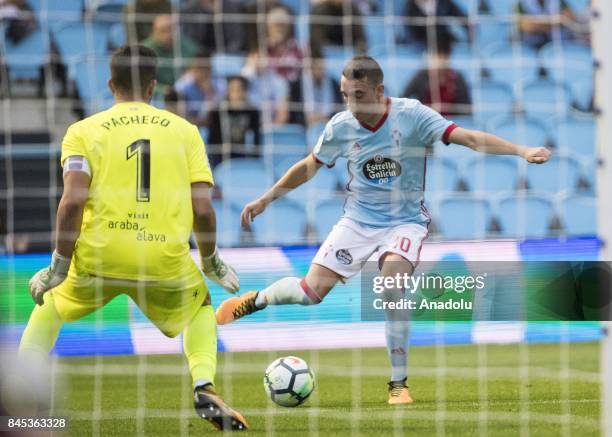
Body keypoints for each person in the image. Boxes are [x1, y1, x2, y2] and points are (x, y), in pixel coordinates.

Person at [215, 55, 551, 405]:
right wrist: (266, 198)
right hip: (358, 222)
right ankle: (256, 300)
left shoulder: (413, 115)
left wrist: (521, 150)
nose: (350, 103)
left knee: (392, 280)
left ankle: (398, 384)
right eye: (345, 94)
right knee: (307, 293)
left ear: (379, 90)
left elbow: (468, 138)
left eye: (358, 94)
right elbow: (309, 167)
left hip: (404, 222)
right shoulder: (341, 126)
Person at [19, 45, 248, 431]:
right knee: (200, 307)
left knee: (51, 303)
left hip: (99, 256)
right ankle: (204, 386)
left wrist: (58, 265)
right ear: (153, 86)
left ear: (110, 85)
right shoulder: (185, 131)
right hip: (163, 258)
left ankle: (19, 396)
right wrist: (210, 261)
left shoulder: (82, 131)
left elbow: (72, 199)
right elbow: (204, 208)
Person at [402, 30, 471, 116]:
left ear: (448, 57)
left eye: (443, 57)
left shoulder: (458, 78)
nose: (439, 62)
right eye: (436, 57)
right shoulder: (420, 76)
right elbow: (402, 101)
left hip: (452, 126)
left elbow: (467, 111)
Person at [207, 75, 261, 168]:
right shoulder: (217, 111)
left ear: (245, 92)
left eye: (239, 89)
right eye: (233, 89)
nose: (236, 93)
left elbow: (256, 140)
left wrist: (253, 160)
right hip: (220, 155)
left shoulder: (252, 111)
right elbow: (212, 142)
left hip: (242, 155)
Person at [143, 14, 199, 89]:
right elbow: (143, 82)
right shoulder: (144, 50)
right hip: (155, 95)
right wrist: (163, 90)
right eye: (163, 31)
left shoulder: (186, 45)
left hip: (184, 90)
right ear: (154, 31)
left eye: (171, 30)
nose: (168, 35)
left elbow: (198, 65)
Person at [174, 55, 223, 126]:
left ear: (210, 70)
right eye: (198, 69)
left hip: (209, 125)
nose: (201, 73)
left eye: (205, 69)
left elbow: (213, 115)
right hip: (186, 122)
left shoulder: (219, 84)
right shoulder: (182, 84)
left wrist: (210, 94)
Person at [403, 0, 468, 49]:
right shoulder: (410, 6)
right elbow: (409, 33)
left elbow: (463, 18)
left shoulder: (444, 2)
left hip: (443, 44)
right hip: (420, 47)